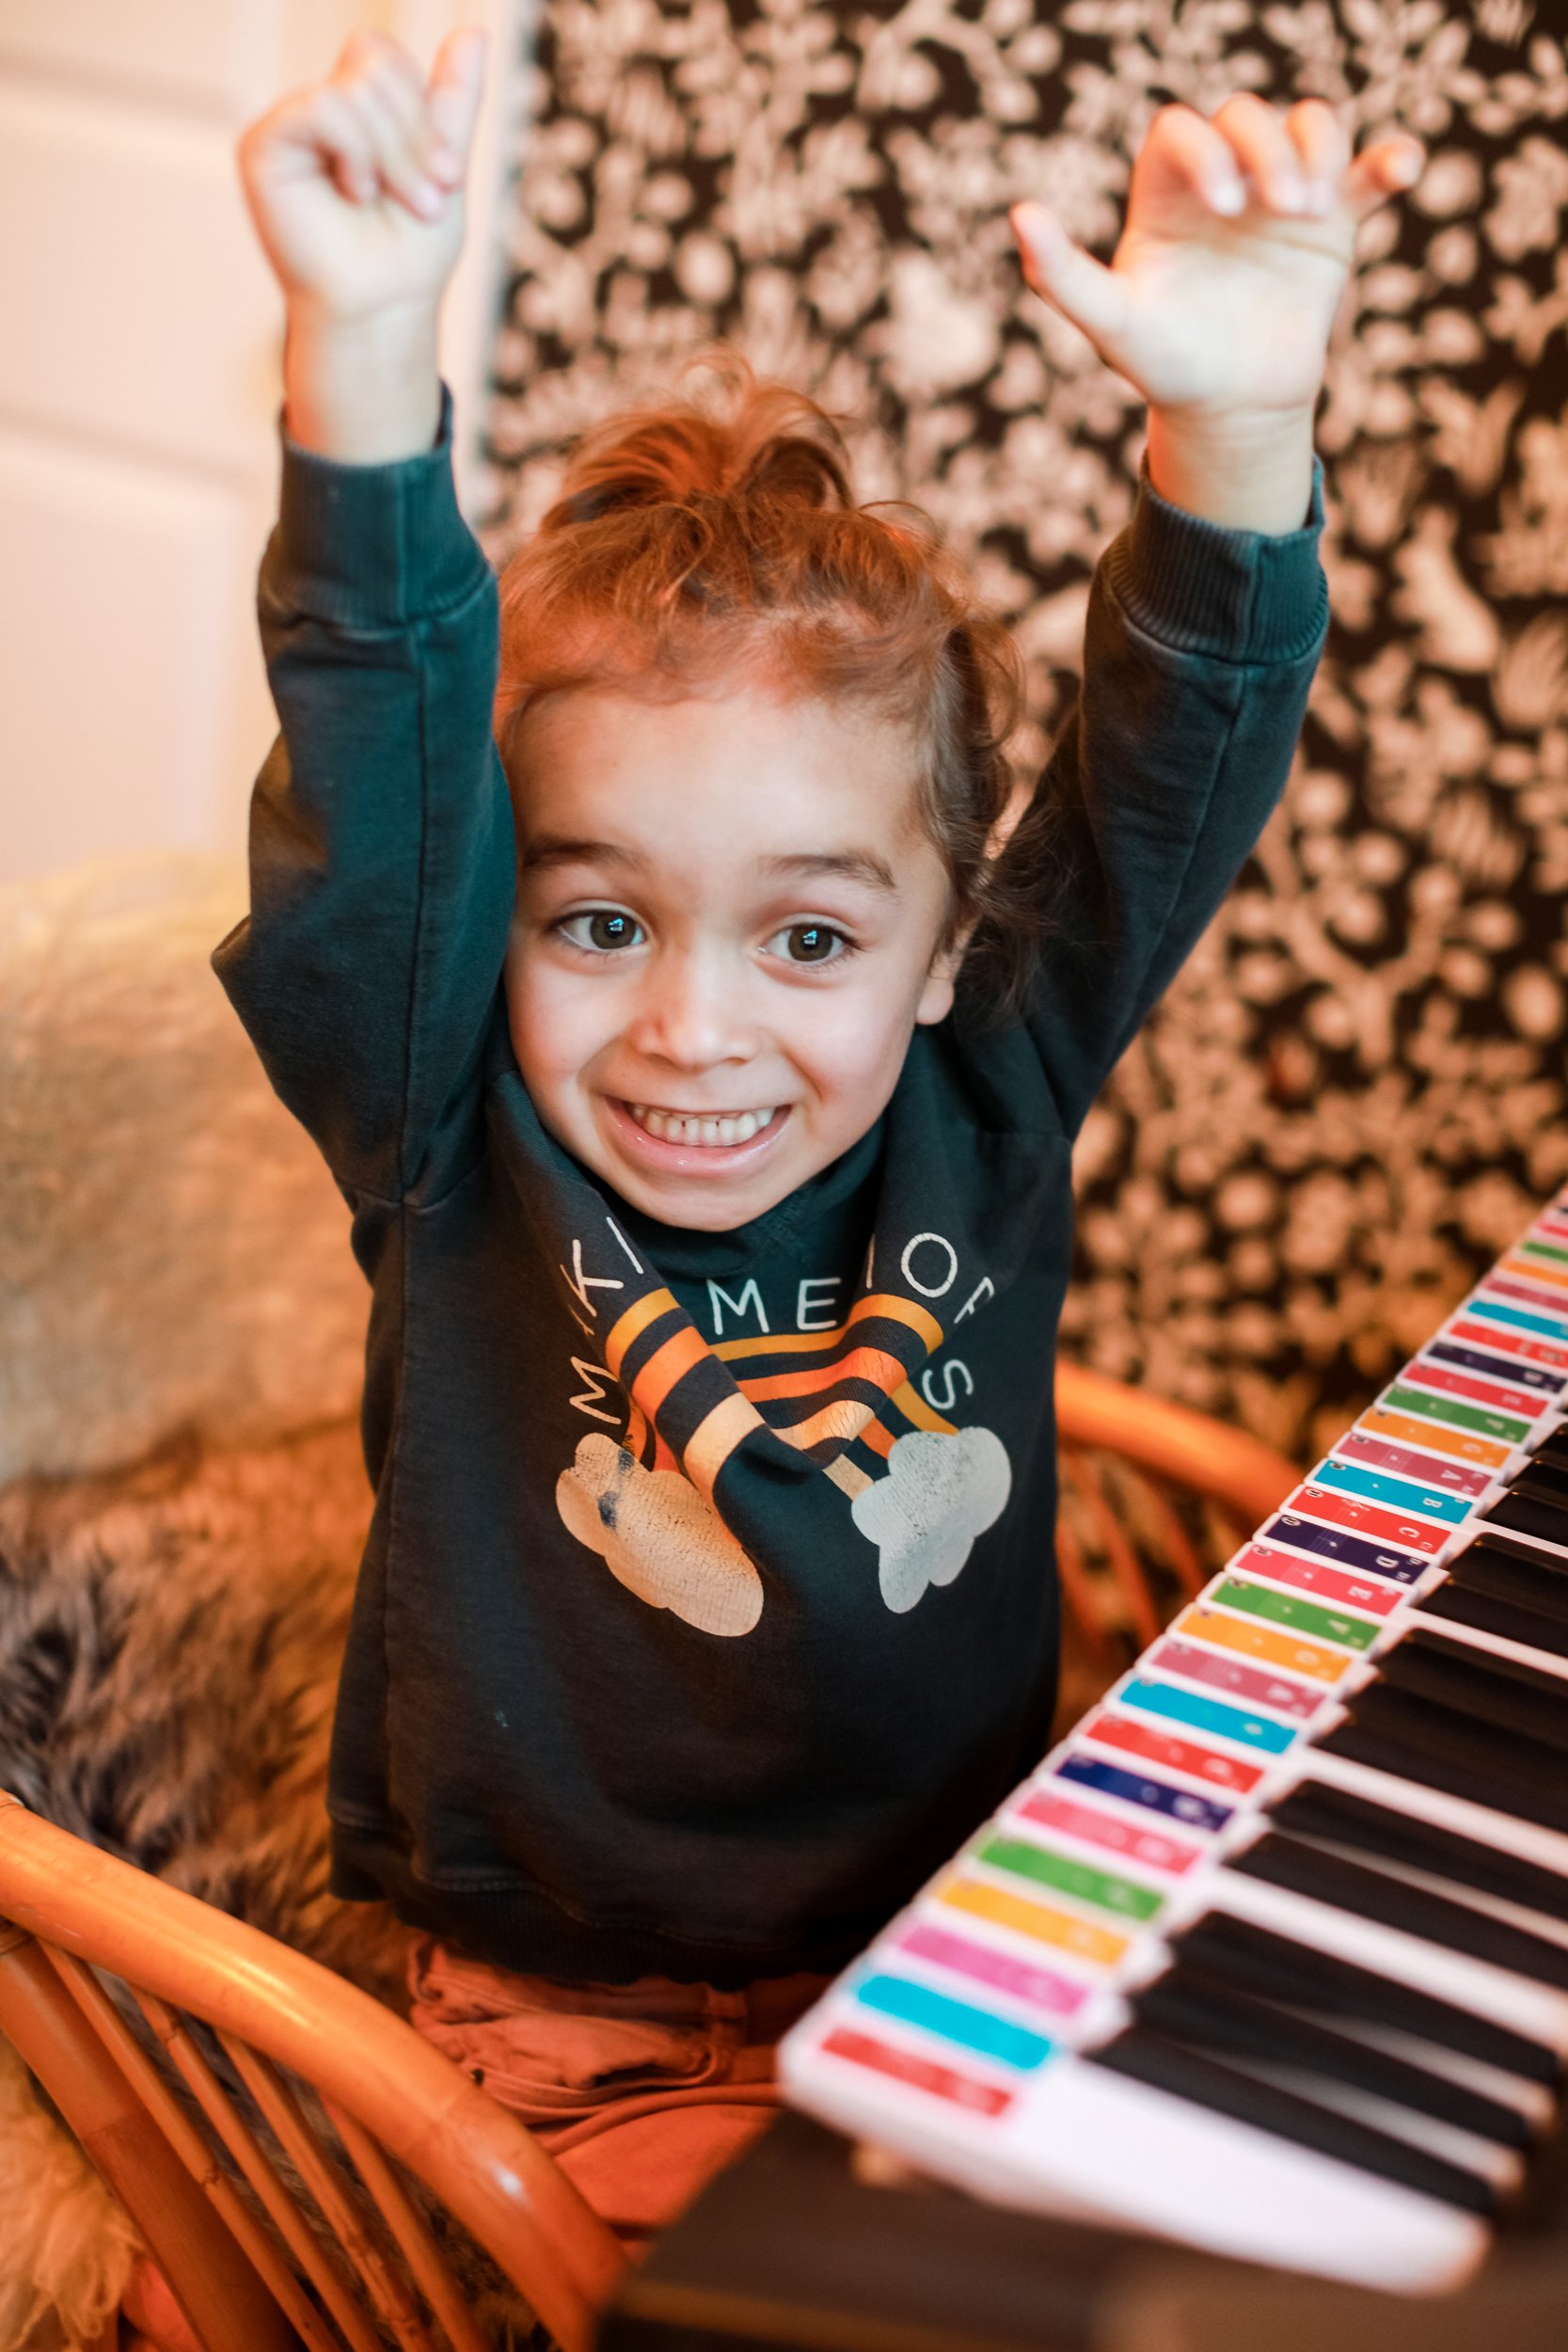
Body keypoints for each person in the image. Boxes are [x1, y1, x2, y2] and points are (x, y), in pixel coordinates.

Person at [221, 26, 1418, 2249]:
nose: (694, 1027)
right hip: (571, 2028)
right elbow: (376, 785)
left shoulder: (991, 1071)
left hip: (970, 1947)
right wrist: (366, 356)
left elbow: (1161, 785)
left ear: (952, 943)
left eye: (805, 932)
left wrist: (1240, 423)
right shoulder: (444, 1118)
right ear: (494, 931)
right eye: (597, 916)